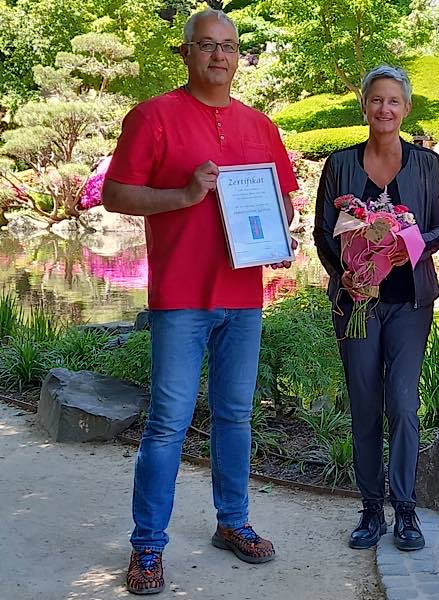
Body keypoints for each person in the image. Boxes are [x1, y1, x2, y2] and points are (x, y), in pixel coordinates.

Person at [102, 9, 298, 595]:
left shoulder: (260, 125)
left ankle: (233, 523)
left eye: (230, 47)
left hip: (244, 296)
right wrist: (185, 195)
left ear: (239, 56)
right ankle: (147, 547)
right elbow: (115, 195)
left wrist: (278, 226)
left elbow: (283, 198)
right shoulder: (153, 116)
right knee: (167, 425)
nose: (220, 56)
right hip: (181, 298)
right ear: (185, 53)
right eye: (207, 46)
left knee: (236, 417)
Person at [313, 65, 439, 552]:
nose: (384, 109)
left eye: (394, 101)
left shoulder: (428, 165)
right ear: (364, 106)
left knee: (404, 405)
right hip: (356, 305)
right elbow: (322, 233)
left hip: (409, 303)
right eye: (376, 100)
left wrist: (406, 247)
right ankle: (371, 509)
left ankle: (406, 511)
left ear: (406, 108)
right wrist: (343, 274)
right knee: (365, 405)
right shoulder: (341, 165)